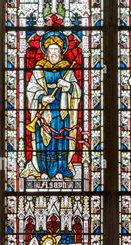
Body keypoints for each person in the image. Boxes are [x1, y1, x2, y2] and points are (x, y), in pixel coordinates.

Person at [22, 32, 82, 179]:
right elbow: (31, 90)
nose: (54, 53)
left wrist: (68, 85)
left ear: (61, 52)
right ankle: (44, 170)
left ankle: (61, 169)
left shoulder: (67, 68)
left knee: (60, 139)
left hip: (61, 110)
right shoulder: (39, 68)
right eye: (51, 50)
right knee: (44, 141)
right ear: (46, 52)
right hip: (44, 111)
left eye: (56, 50)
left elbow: (77, 90)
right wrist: (42, 98)